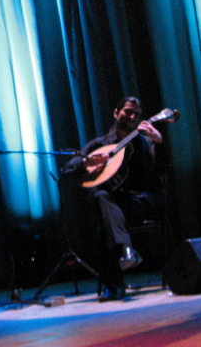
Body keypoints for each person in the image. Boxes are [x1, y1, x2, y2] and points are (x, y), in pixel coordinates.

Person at [62, 96, 165, 301]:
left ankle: (114, 284)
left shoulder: (145, 143)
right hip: (111, 204)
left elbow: (162, 169)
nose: (132, 117)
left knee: (103, 217)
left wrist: (158, 142)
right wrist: (86, 163)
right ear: (116, 113)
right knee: (102, 203)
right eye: (128, 111)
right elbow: (67, 171)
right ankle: (125, 253)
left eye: (136, 114)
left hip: (139, 202)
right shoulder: (99, 144)